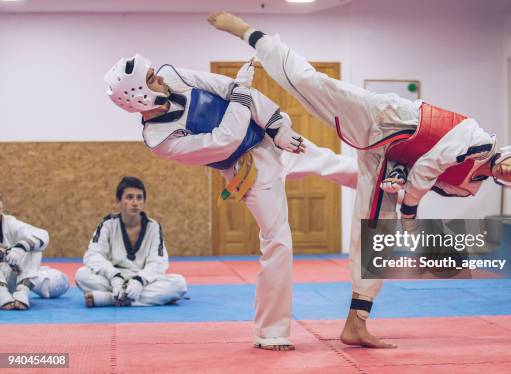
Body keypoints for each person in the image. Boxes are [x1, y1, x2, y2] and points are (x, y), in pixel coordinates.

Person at [208, 11, 511, 348]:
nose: (510, 169)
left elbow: (418, 179)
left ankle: (356, 324)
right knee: (314, 85)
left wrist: (398, 184)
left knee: (376, 238)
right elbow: (429, 166)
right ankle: (248, 32)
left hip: (388, 159)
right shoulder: (480, 142)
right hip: (389, 118)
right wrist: (412, 217)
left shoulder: (467, 187)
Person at [103, 55, 357, 351]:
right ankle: (270, 332)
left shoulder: (173, 74)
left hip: (270, 137)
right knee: (278, 242)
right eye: (150, 79)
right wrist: (241, 90)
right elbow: (226, 140)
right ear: (138, 97)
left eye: (152, 74)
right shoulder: (160, 140)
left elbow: (232, 89)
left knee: (335, 164)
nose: (158, 78)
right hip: (247, 169)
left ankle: (399, 184)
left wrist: (278, 127)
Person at [75, 177, 188, 309]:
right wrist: (114, 276)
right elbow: (92, 255)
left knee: (179, 284)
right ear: (118, 201)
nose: (135, 203)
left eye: (139, 198)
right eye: (129, 197)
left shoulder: (153, 227)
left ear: (144, 202)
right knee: (81, 275)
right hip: (114, 279)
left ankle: (110, 299)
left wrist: (140, 280)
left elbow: (158, 262)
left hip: (143, 280)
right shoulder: (107, 224)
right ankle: (130, 298)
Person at [0, 194, 68, 310]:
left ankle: (22, 291)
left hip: (12, 275)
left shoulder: (9, 222)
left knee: (57, 282)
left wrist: (20, 248)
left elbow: (42, 235)